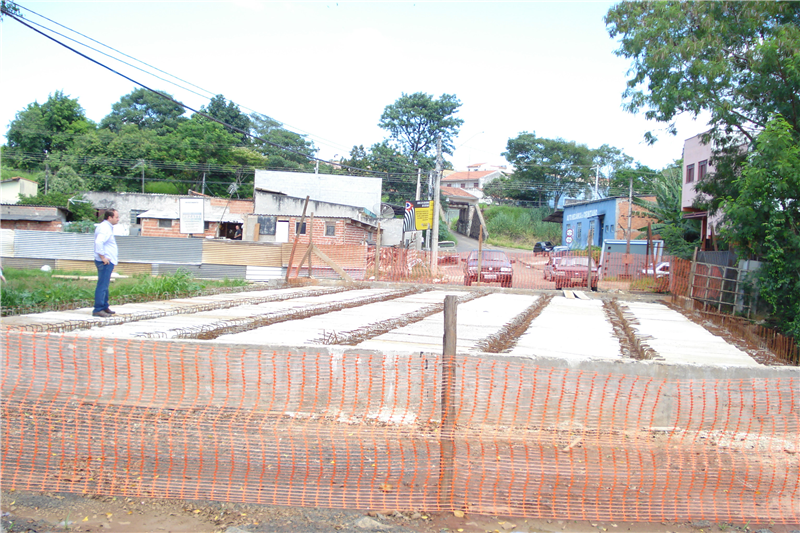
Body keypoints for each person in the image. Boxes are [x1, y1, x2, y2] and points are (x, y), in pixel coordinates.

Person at [93, 209, 120, 317]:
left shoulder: (107, 227)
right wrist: (103, 257)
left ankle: (104, 306)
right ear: (109, 217)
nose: (118, 219)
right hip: (104, 262)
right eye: (116, 217)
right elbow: (99, 242)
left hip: (108, 261)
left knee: (105, 285)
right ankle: (98, 309)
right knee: (102, 285)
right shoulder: (104, 228)